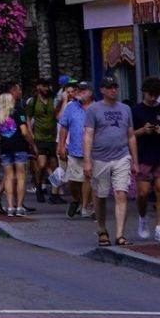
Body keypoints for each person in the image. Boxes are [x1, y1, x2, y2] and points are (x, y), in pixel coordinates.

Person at [85, 76, 136, 245]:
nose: (113, 90)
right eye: (109, 87)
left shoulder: (125, 109)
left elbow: (131, 135)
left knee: (121, 193)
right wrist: (87, 161)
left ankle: (120, 234)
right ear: (102, 90)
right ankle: (102, 228)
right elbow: (88, 135)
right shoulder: (93, 109)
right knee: (100, 195)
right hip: (100, 157)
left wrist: (135, 160)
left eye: (115, 86)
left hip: (121, 155)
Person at [132, 76, 160, 242]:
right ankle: (143, 217)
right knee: (143, 193)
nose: (153, 97)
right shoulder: (136, 110)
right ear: (144, 93)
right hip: (143, 154)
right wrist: (142, 131)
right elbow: (129, 134)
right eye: (150, 94)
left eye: (156, 94)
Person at [0, 80, 31, 217]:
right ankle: (19, 206)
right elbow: (24, 131)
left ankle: (10, 206)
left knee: (9, 177)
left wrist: (5, 137)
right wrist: (30, 143)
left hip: (5, 147)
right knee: (21, 177)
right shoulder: (17, 111)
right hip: (19, 146)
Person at [58, 82, 91, 218]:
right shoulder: (71, 107)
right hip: (74, 149)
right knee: (73, 180)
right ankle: (77, 199)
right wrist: (61, 146)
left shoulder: (97, 107)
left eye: (83, 90)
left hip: (93, 151)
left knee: (87, 178)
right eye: (79, 90)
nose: (80, 92)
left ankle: (85, 207)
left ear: (91, 92)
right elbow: (64, 126)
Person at [27, 78, 59, 205]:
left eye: (48, 86)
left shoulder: (54, 100)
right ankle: (39, 186)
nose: (46, 89)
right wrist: (30, 132)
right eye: (44, 86)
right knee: (41, 164)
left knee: (54, 165)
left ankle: (54, 192)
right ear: (38, 87)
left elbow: (58, 116)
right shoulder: (33, 101)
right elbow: (27, 117)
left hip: (52, 137)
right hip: (39, 137)